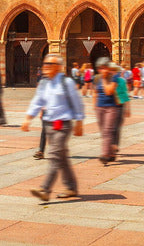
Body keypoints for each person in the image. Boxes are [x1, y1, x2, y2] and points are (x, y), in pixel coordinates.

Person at [22, 53, 84, 203]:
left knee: (55, 155)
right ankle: (71, 187)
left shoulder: (66, 82)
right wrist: (28, 118)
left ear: (58, 67)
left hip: (63, 124)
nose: (45, 67)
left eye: (49, 64)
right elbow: (38, 101)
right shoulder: (44, 83)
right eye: (45, 64)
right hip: (49, 124)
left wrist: (79, 122)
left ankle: (45, 189)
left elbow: (77, 102)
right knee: (61, 157)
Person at [93, 59, 120, 164]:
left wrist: (104, 79)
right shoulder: (96, 78)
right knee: (103, 132)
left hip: (111, 107)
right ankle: (111, 151)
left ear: (108, 68)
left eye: (104, 67)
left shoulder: (114, 77)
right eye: (100, 68)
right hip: (100, 107)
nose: (102, 70)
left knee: (107, 130)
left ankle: (105, 155)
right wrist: (95, 106)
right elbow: (95, 92)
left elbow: (109, 91)